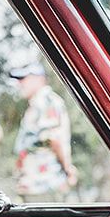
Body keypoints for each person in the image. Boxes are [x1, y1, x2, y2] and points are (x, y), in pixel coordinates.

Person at [10, 59, 77, 199]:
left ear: (38, 79)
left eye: (24, 78)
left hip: (45, 188)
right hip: (36, 187)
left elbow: (54, 139)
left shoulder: (47, 101)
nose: (20, 83)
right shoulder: (38, 103)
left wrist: (68, 169)